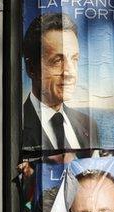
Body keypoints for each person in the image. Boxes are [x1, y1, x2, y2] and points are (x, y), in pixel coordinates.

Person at [23, 13, 99, 151]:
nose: (70, 73)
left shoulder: (89, 125)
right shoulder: (15, 127)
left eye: (74, 59)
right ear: (32, 69)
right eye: (57, 61)